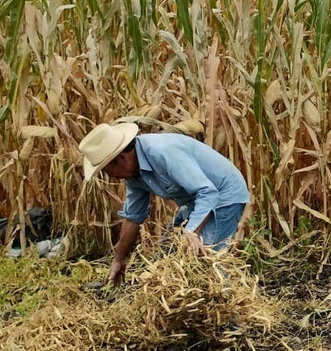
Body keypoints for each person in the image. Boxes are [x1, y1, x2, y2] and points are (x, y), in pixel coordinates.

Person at [78, 121, 250, 285]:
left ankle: (225, 300)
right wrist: (119, 259)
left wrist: (191, 232)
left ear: (121, 159)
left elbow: (208, 192)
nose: (112, 177)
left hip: (224, 195)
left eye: (108, 171)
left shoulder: (162, 152)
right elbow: (133, 217)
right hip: (194, 201)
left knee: (205, 261)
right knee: (165, 257)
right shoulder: (134, 175)